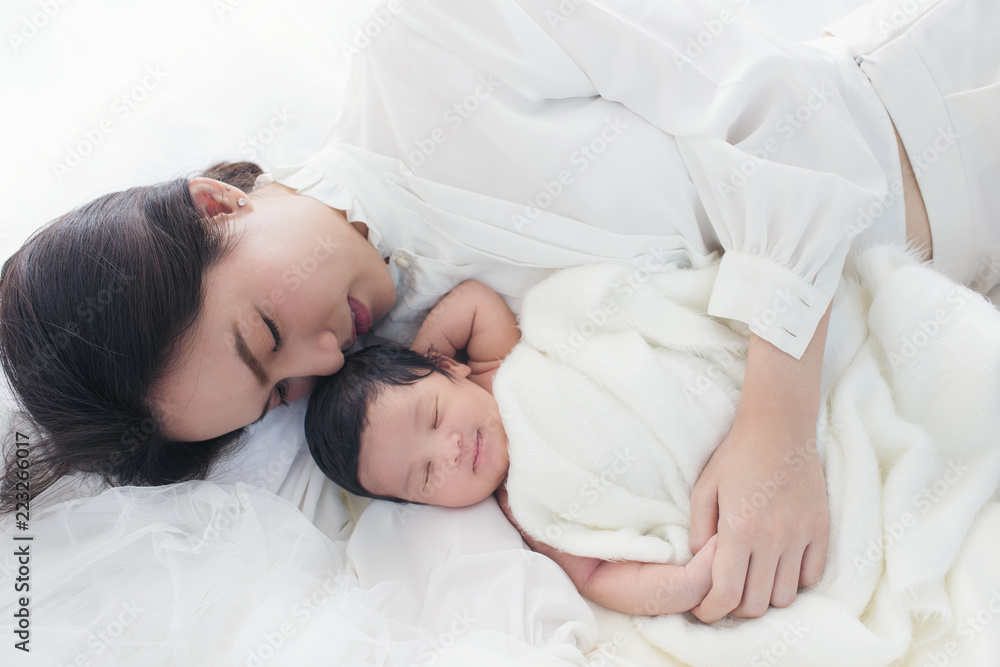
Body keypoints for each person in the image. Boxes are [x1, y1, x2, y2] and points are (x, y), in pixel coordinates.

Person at [0, 0, 995, 623]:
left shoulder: (430, 43)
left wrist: (777, 427)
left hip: (947, 116)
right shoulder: (421, 383)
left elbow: (783, 108)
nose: (319, 357)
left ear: (217, 204)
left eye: (265, 333)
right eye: (278, 393)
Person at [304, 279, 720, 616]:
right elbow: (594, 574)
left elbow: (473, 299)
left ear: (448, 367)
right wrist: (683, 584)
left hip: (692, 396)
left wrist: (424, 361)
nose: (449, 452)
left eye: (433, 415)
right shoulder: (520, 511)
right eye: (427, 474)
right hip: (698, 487)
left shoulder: (496, 365)